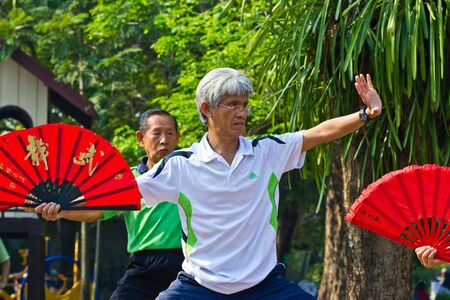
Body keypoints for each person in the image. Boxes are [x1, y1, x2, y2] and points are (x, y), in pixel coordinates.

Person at [136, 67, 382, 299]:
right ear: (207, 108)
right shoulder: (181, 164)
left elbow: (318, 133)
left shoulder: (266, 152)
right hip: (201, 285)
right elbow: (127, 191)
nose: (241, 113)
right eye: (232, 104)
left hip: (263, 285)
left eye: (244, 105)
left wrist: (365, 113)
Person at [34, 109, 184, 299]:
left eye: (170, 133)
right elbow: (96, 211)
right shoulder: (127, 180)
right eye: (156, 133)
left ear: (177, 137)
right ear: (140, 138)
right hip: (143, 265)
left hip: (184, 263)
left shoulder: (190, 173)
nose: (164, 140)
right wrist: (61, 212)